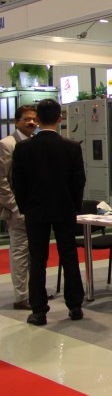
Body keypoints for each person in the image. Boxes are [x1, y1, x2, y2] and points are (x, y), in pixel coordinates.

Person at [11, 98, 87, 326]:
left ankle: (39, 310)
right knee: (69, 257)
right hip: (64, 209)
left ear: (38, 119)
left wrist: (25, 207)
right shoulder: (71, 147)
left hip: (35, 211)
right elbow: (79, 181)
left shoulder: (23, 148)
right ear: (59, 118)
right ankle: (75, 306)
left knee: (38, 259)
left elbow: (18, 183)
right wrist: (74, 206)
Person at [0, 105, 38, 309]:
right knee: (20, 253)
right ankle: (21, 297)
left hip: (35, 209)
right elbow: (2, 181)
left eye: (34, 119)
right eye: (26, 119)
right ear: (17, 122)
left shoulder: (36, 142)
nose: (31, 122)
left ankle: (35, 292)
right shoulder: (7, 144)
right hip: (17, 210)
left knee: (35, 253)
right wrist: (15, 207)